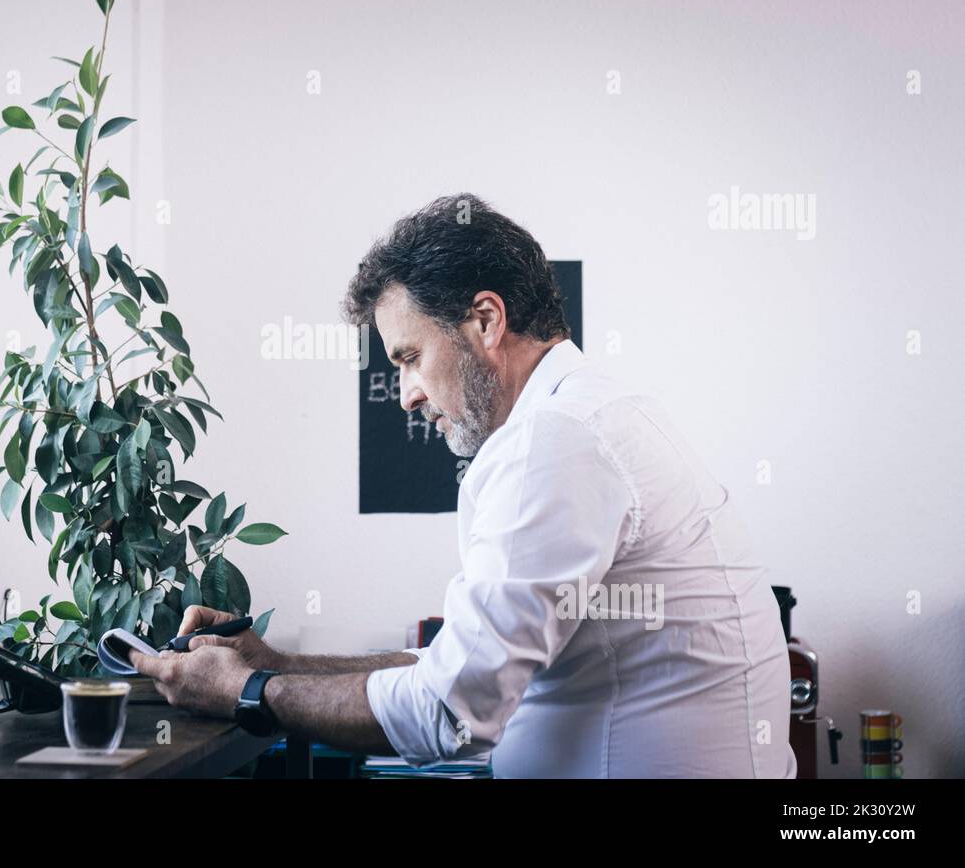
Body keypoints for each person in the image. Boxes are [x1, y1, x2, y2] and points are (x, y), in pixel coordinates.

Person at [131, 193, 797, 778]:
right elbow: (454, 666)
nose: (407, 396)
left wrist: (247, 691)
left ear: (485, 321)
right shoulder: (590, 413)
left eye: (411, 358)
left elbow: (449, 710)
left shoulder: (557, 440)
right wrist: (276, 664)